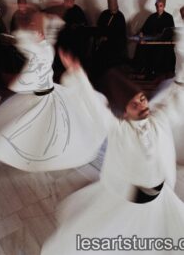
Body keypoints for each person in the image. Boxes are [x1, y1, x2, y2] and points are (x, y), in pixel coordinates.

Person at [41, 26, 184, 254]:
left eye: (142, 99)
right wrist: (78, 75)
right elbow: (94, 107)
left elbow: (176, 104)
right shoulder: (118, 129)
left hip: (158, 195)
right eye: (135, 104)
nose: (142, 105)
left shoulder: (159, 120)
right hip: (134, 198)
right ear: (125, 111)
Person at [0, 14, 107, 172]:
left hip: (45, 94)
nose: (38, 30)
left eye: (38, 27)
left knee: (45, 126)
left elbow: (21, 81)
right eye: (35, 27)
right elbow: (39, 39)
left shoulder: (40, 53)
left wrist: (12, 79)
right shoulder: (45, 46)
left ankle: (43, 152)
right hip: (47, 91)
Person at [133, 0, 175, 78]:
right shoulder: (152, 17)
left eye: (161, 6)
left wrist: (160, 37)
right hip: (150, 41)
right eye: (157, 6)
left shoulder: (169, 17)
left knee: (160, 51)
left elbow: (170, 32)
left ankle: (154, 71)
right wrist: (141, 33)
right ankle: (141, 70)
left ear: (164, 6)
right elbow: (144, 29)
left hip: (162, 43)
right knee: (140, 46)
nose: (158, 8)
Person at [95, 0, 127, 73]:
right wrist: (101, 37)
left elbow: (121, 33)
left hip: (115, 42)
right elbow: (99, 28)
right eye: (112, 9)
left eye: (115, 9)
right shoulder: (104, 14)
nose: (113, 11)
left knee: (112, 53)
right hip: (104, 42)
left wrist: (108, 38)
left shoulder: (120, 16)